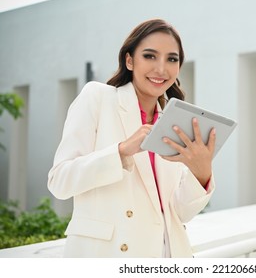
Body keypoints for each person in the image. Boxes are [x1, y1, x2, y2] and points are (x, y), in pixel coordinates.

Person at [47, 19, 216, 258]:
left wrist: (201, 173)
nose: (161, 69)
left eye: (172, 59)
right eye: (149, 56)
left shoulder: (175, 122)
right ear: (129, 60)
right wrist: (121, 151)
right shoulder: (98, 98)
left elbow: (178, 214)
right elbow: (59, 182)